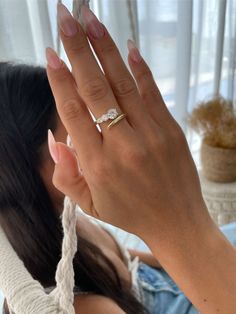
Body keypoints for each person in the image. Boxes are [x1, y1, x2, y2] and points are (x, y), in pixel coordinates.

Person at [44, 3, 236, 314]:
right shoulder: (66, 294)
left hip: (189, 267)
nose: (103, 145)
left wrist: (178, 227)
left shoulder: (81, 226)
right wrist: (178, 225)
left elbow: (131, 258)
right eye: (77, 137)